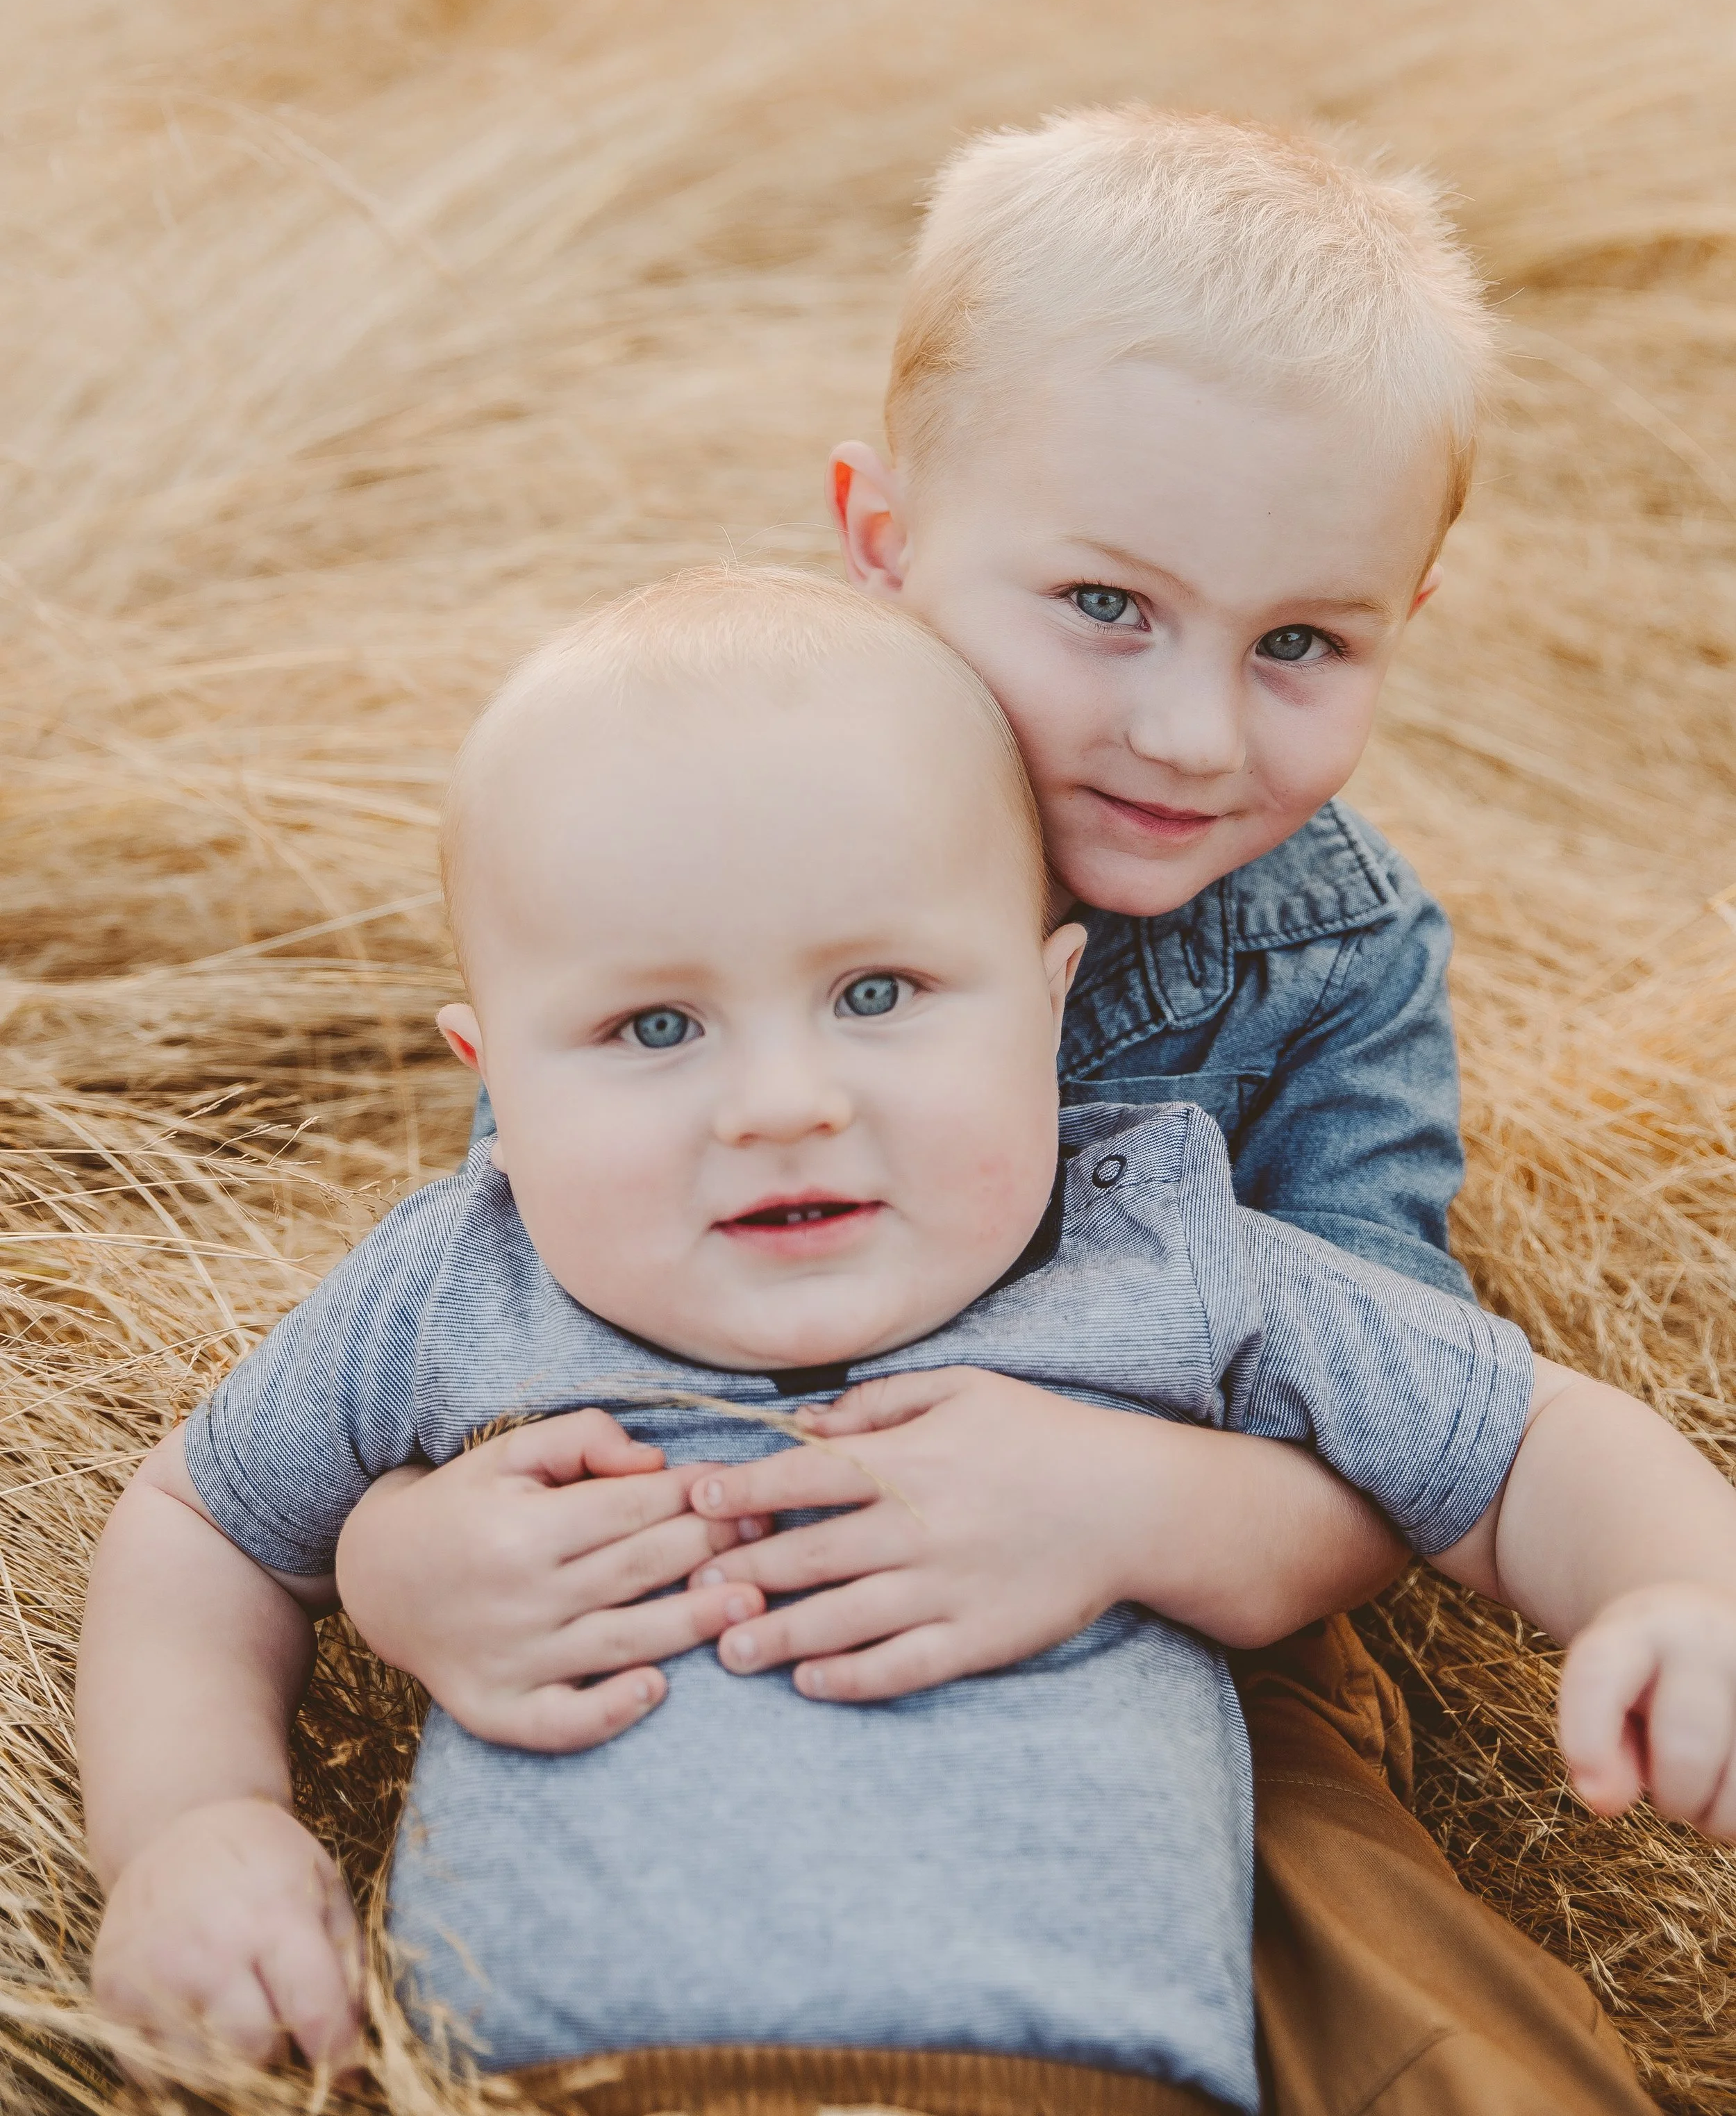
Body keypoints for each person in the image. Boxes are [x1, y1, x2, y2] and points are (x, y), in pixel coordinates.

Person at [333, 112, 1651, 2108]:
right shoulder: (703, 794)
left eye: (1297, 640)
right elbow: (520, 1289)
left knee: (1408, 2008)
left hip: (1194, 1633)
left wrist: (1119, 1509)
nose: (1190, 729)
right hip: (718, 1608)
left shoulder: (1331, 952)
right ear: (885, 540)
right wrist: (398, 1561)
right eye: (1106, 606)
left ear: (1409, 608)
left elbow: (1406, 1411)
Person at [78, 574, 1734, 2116]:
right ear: (495, 1080)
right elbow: (203, 1527)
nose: (785, 1102)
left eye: (877, 994)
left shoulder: (1154, 1244)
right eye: (655, 1028)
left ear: (1046, 995)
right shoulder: (462, 1282)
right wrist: (192, 1826)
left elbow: (1516, 1446)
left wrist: (1677, 1589)